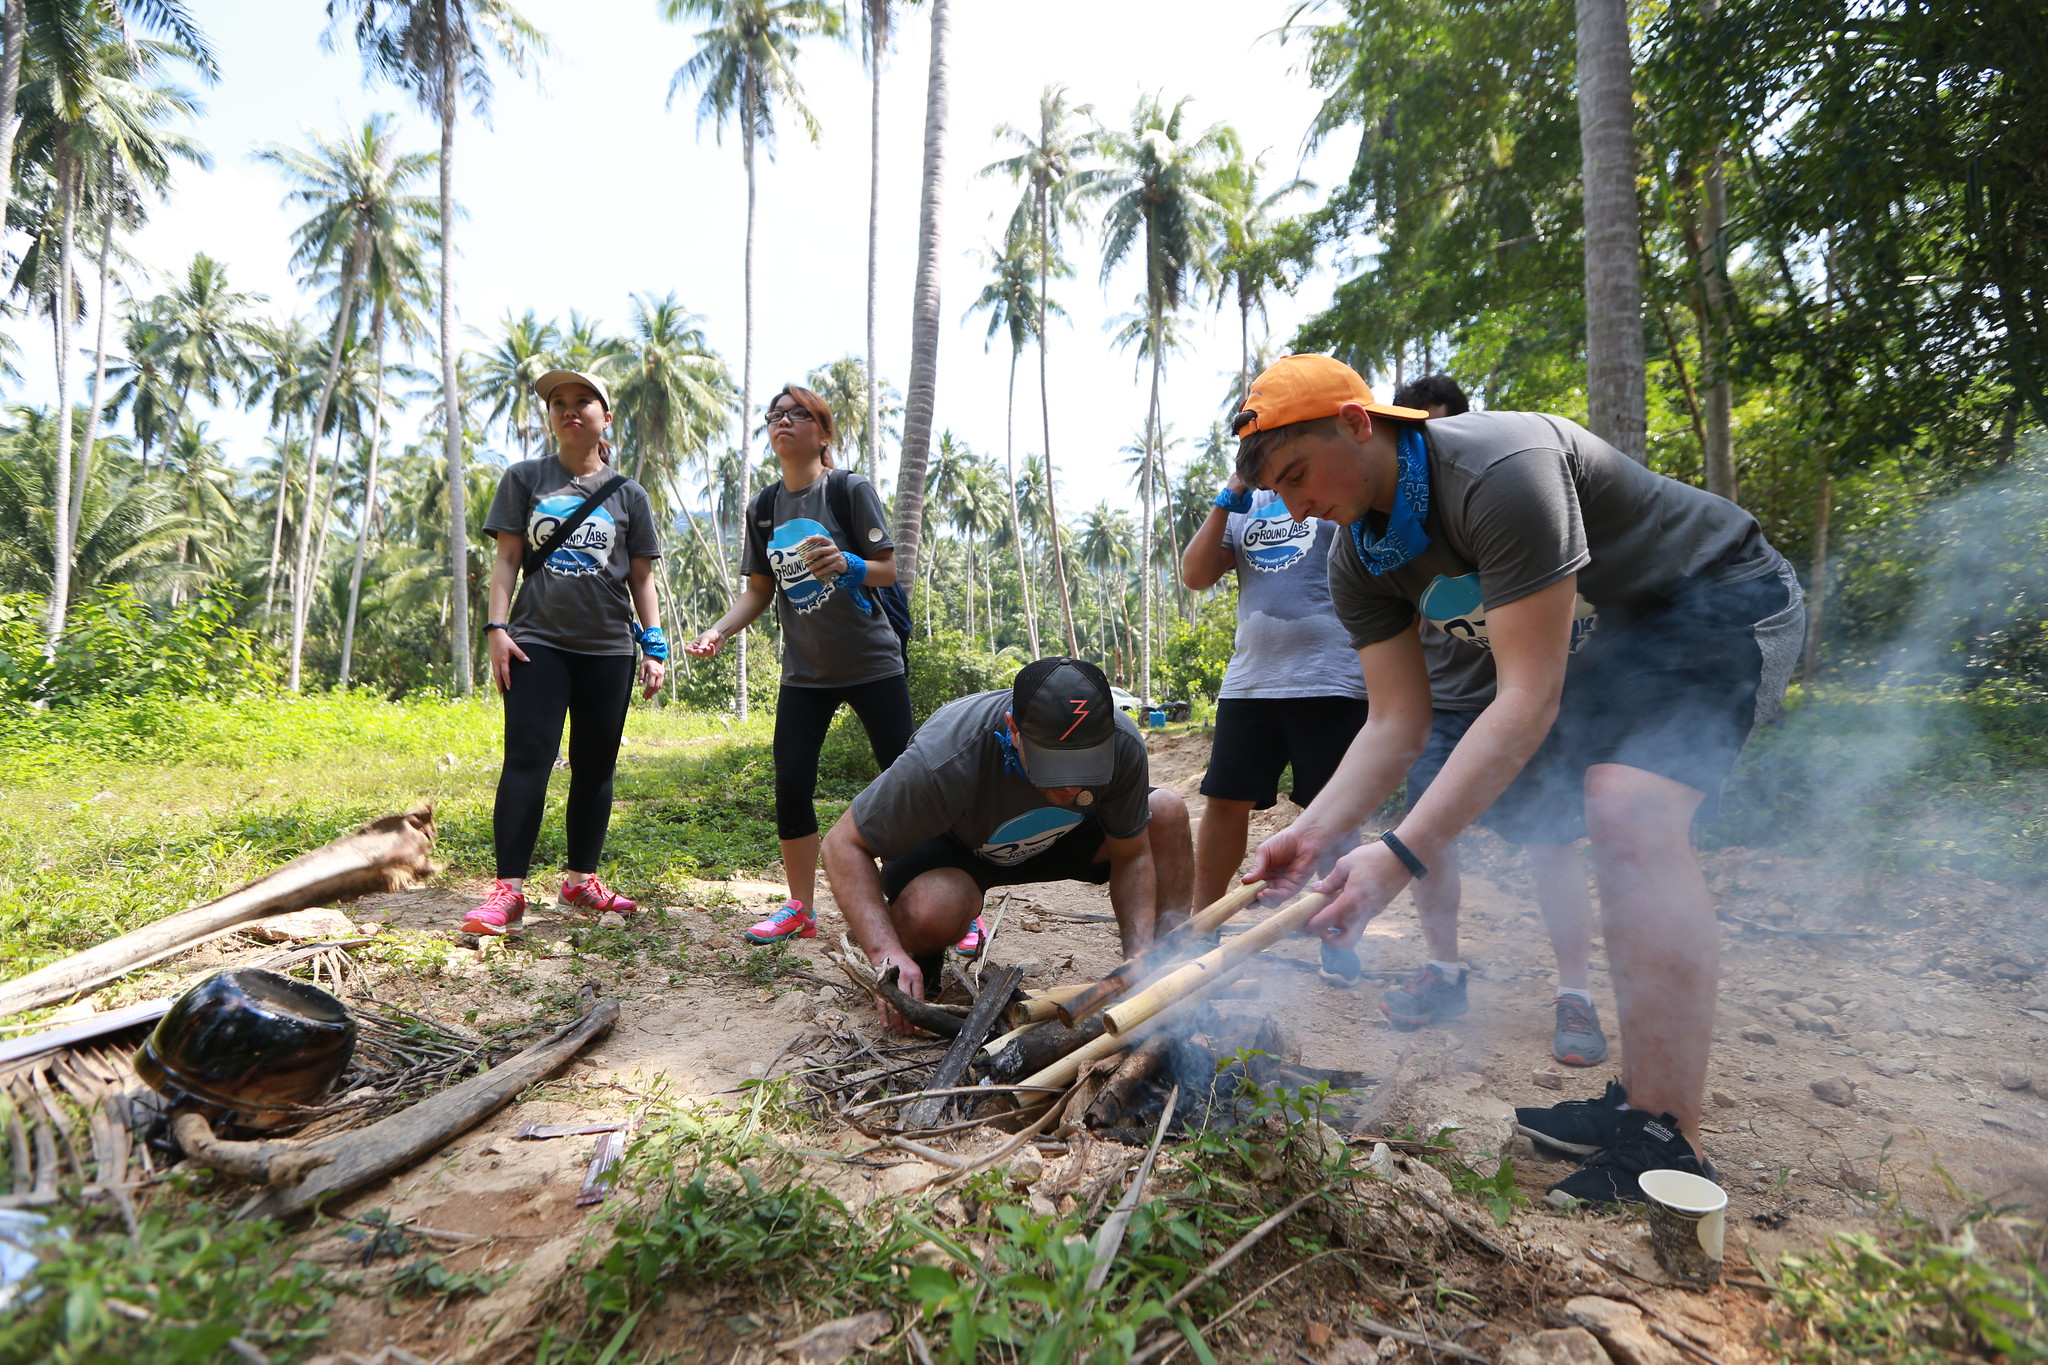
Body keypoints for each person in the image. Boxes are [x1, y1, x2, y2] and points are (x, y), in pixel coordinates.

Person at [1234, 354, 1802, 1205]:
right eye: (1276, 491)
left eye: (1297, 474)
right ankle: (1639, 1105)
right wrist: (1313, 835)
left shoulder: (1497, 471)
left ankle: (1668, 1138)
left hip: (1724, 591)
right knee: (1604, 812)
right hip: (1633, 626)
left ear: (1358, 421)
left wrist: (1397, 855)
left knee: (1629, 808)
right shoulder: (1360, 556)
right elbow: (1395, 724)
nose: (1296, 505)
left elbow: (1526, 698)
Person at [1323, 374, 1605, 1070]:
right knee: (1427, 842)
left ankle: (1577, 992)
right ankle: (1443, 972)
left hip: (1520, 704)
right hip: (1443, 704)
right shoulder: (1380, 538)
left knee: (1552, 841)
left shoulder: (1492, 492)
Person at [821, 656, 1194, 1026]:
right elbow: (842, 845)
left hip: (1060, 836)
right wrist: (885, 952)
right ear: (1014, 728)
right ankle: (918, 950)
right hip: (957, 848)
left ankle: (1164, 962)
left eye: (1085, 767)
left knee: (1166, 811)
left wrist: (1139, 956)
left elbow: (1132, 856)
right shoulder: (946, 757)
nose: (1071, 786)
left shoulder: (1122, 743)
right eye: (1055, 767)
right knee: (933, 909)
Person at [685, 385, 918, 949]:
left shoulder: (848, 490)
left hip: (872, 662)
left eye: (797, 414)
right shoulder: (764, 508)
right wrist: (718, 629)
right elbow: (759, 591)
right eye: (775, 416)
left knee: (908, 781)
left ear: (823, 430)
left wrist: (852, 562)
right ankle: (801, 908)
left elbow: (888, 570)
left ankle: (924, 893)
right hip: (805, 674)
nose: (782, 422)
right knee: (791, 783)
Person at [464, 369, 666, 936]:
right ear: (550, 417)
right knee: (528, 758)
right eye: (558, 402)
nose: (569, 409)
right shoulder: (525, 477)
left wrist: (653, 646)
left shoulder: (629, 494)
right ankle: (508, 890)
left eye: (583, 401)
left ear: (605, 417)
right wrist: (496, 628)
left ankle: (580, 880)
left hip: (607, 649)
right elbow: (506, 560)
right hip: (537, 645)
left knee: (596, 767)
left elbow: (642, 578)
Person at [1178, 449, 1369, 924]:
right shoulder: (1243, 504)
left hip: (1332, 676)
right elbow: (1196, 574)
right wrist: (1231, 492)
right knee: (1225, 801)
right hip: (1250, 680)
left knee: (1333, 811)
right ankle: (1204, 922)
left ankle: (1337, 925)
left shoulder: (1326, 485)